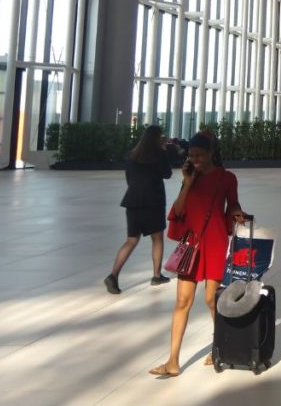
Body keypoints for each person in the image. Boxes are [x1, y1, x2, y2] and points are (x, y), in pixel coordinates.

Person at [150, 133, 245, 377]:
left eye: (199, 155)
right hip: (191, 245)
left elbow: (233, 203)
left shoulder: (226, 178)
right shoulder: (190, 177)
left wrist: (237, 213)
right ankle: (172, 361)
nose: (195, 160)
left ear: (211, 153)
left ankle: (220, 347)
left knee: (212, 300)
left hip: (214, 242)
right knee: (182, 301)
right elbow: (178, 210)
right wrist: (188, 182)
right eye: (191, 156)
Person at [104, 125, 173, 294]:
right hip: (153, 202)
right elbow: (167, 173)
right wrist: (165, 151)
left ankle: (113, 275)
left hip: (133, 201)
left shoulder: (133, 155)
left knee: (131, 240)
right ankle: (156, 275)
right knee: (157, 239)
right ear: (157, 139)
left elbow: (129, 178)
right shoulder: (158, 155)